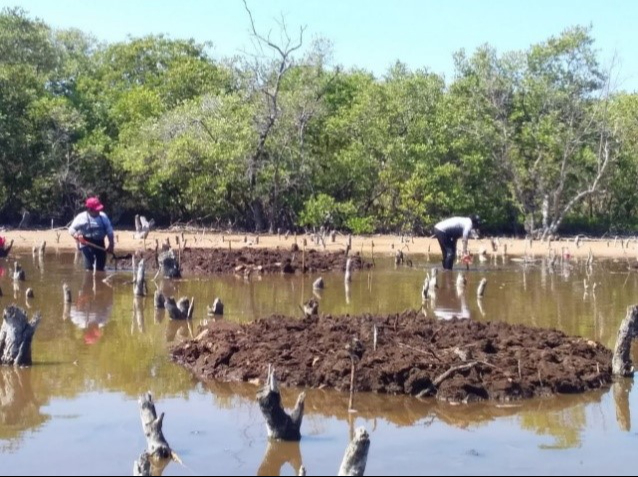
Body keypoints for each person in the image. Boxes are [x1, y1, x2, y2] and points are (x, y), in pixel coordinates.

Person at [68, 197, 115, 271]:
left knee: (100, 268)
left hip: (100, 243)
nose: (99, 211)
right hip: (86, 243)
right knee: (89, 268)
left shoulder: (103, 217)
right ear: (90, 209)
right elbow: (71, 229)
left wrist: (111, 244)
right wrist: (76, 235)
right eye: (97, 210)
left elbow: (109, 230)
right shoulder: (81, 217)